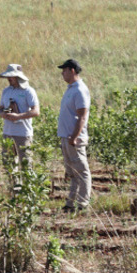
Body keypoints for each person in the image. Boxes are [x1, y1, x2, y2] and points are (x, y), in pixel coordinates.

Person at [57, 58, 91, 212]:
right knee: (73, 173)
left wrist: (74, 137)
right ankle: (70, 203)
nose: (62, 74)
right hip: (66, 137)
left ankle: (82, 204)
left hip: (74, 138)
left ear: (72, 70)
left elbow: (82, 116)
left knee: (82, 171)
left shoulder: (80, 89)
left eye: (64, 70)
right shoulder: (71, 89)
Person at [0, 63, 40, 173]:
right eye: (8, 76)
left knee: (26, 165)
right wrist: (4, 114)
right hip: (8, 132)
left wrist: (19, 116)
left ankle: (27, 188)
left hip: (23, 134)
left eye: (11, 76)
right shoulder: (6, 91)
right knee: (9, 165)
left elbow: (36, 111)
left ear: (18, 77)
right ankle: (14, 189)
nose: (9, 79)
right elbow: (0, 109)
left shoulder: (28, 91)